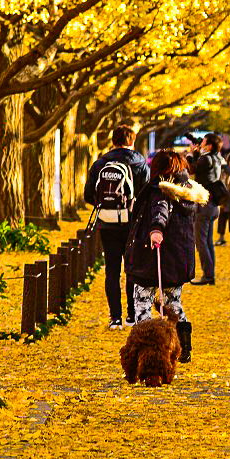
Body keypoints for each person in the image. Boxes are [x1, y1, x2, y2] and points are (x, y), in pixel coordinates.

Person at [125, 149, 208, 363]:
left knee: (142, 303)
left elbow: (160, 211)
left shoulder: (161, 190)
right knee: (173, 304)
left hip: (152, 256)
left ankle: (144, 351)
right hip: (177, 259)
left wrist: (155, 230)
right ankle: (183, 346)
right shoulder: (186, 193)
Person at [84, 123, 151, 329]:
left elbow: (88, 195)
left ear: (113, 141)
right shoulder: (141, 163)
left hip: (108, 223)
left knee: (111, 270)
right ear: (132, 141)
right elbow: (147, 195)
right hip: (133, 224)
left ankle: (115, 318)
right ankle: (132, 316)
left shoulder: (100, 163)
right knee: (132, 269)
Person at [190, 133, 224, 285]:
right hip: (213, 204)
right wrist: (197, 153)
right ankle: (210, 273)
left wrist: (191, 154)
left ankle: (208, 274)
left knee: (201, 241)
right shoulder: (216, 158)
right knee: (208, 241)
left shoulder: (205, 159)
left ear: (209, 145)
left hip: (204, 204)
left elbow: (192, 168)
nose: (201, 143)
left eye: (203, 141)